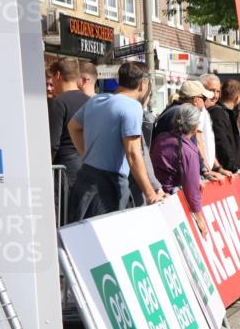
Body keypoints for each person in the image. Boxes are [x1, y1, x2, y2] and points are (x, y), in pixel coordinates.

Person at [66, 62, 165, 222]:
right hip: (108, 187)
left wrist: (86, 154)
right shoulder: (133, 107)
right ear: (143, 85)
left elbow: (73, 127)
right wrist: (151, 194)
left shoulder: (96, 100)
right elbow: (133, 154)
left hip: (85, 179)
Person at [150, 104, 208, 236]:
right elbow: (191, 188)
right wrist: (199, 218)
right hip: (170, 202)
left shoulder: (161, 138)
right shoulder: (189, 151)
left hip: (154, 195)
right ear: (194, 127)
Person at [48, 58, 90, 193]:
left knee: (63, 211)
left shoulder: (59, 103)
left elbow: (53, 143)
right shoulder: (90, 101)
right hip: (87, 166)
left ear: (58, 75)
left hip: (64, 170)